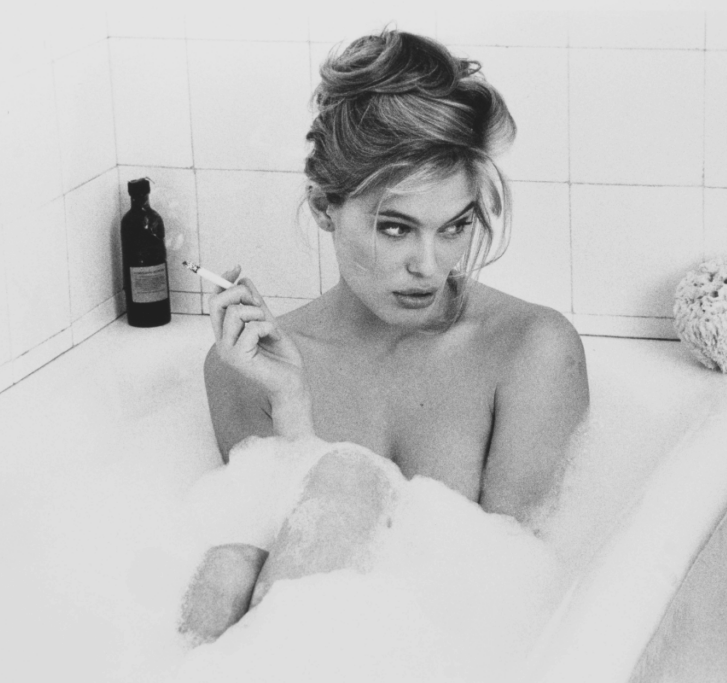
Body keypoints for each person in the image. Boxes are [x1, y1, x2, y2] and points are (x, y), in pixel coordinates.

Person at [182, 28, 589, 643]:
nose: (430, 265)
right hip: (314, 654)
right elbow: (287, 561)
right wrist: (291, 406)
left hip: (458, 652)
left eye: (454, 227)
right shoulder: (243, 368)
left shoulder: (531, 352)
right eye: (397, 229)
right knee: (227, 569)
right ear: (324, 208)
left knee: (346, 483)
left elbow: (509, 594)